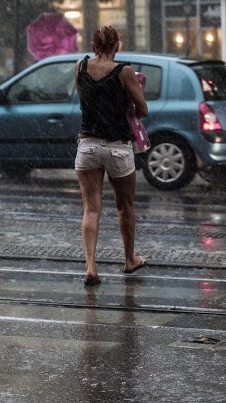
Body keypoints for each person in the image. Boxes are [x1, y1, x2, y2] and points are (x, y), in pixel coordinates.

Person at [74, 26, 148, 287]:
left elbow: (86, 100)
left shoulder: (80, 67)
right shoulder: (124, 71)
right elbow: (143, 109)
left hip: (88, 145)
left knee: (91, 208)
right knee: (125, 206)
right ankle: (129, 259)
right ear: (116, 46)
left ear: (94, 47)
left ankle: (91, 267)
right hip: (117, 146)